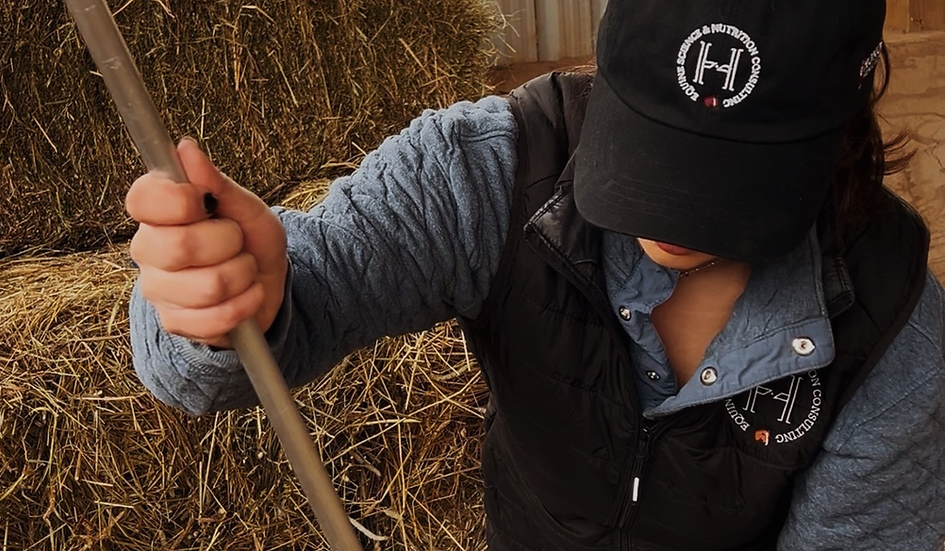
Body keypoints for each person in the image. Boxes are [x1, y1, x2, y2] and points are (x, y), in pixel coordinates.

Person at [126, 0, 945, 548]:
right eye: (652, 139)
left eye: (732, 175)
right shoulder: (491, 171)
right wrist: (220, 305)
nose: (667, 216)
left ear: (841, 124)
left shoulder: (892, 331)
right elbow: (195, 371)